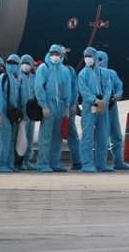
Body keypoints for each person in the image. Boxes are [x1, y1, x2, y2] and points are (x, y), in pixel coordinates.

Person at [34, 44, 73, 173]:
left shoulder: (64, 70)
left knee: (57, 136)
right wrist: (43, 105)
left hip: (60, 105)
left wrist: (67, 106)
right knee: (45, 136)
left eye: (57, 54)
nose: (55, 57)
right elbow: (39, 87)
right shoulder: (43, 68)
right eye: (53, 54)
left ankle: (55, 162)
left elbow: (66, 89)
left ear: (61, 56)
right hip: (49, 104)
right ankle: (43, 163)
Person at [78, 47, 114, 173]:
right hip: (89, 108)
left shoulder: (104, 73)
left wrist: (104, 101)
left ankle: (101, 163)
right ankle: (87, 164)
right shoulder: (82, 74)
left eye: (90, 55)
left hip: (102, 107)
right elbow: (84, 90)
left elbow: (108, 87)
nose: (88, 58)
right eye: (86, 56)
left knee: (103, 136)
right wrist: (95, 100)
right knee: (87, 136)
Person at [96, 50, 129, 170]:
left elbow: (119, 86)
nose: (100, 62)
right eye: (98, 59)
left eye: (102, 59)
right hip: (99, 106)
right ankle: (99, 162)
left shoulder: (112, 74)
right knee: (101, 135)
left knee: (116, 134)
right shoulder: (91, 74)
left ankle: (118, 161)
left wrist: (119, 94)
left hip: (112, 106)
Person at [0, 54, 21, 173]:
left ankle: (8, 163)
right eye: (9, 63)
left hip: (10, 114)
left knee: (9, 140)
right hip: (2, 114)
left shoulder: (14, 79)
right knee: (2, 140)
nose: (12, 65)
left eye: (14, 63)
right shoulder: (2, 78)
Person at [17, 54, 38, 170]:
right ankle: (19, 160)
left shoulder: (33, 78)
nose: (25, 66)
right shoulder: (18, 77)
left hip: (31, 110)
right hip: (22, 110)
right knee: (20, 138)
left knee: (29, 137)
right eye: (23, 63)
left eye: (28, 63)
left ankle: (27, 159)